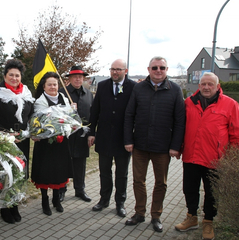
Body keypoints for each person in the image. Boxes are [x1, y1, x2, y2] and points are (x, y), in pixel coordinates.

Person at [124, 56, 185, 232]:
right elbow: (129, 115)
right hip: (140, 145)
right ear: (149, 69)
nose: (158, 70)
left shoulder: (175, 90)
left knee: (161, 183)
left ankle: (156, 216)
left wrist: (175, 146)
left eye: (162, 68)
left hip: (163, 147)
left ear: (167, 70)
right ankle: (139, 213)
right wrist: (128, 140)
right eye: (155, 67)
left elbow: (180, 121)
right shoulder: (139, 88)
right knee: (138, 181)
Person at [174, 72, 239, 240]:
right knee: (189, 189)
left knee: (212, 193)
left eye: (210, 84)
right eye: (203, 84)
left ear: (217, 86)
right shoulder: (189, 103)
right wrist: (179, 147)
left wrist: (232, 157)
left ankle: (208, 221)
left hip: (215, 159)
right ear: (199, 86)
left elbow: (235, 133)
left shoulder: (230, 105)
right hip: (191, 156)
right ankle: (191, 217)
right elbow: (181, 127)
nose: (206, 87)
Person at [0, 59, 35, 224]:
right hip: (5, 140)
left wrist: (26, 132)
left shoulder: (26, 94)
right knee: (6, 174)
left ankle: (15, 205)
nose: (14, 78)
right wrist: (7, 134)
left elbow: (30, 117)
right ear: (5, 76)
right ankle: (5, 208)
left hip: (22, 139)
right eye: (11, 75)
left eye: (17, 75)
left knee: (19, 173)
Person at [88, 59, 136, 217]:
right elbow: (95, 111)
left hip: (124, 139)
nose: (115, 72)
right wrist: (92, 132)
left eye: (118, 69)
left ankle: (120, 202)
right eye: (112, 69)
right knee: (104, 171)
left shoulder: (134, 87)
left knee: (121, 173)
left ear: (125, 71)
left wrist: (132, 137)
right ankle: (104, 199)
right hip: (104, 137)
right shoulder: (102, 86)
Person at [31, 72, 73, 216]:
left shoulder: (64, 99)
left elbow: (68, 117)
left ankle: (56, 200)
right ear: (44, 86)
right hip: (45, 143)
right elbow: (40, 120)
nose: (52, 87)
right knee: (45, 172)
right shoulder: (39, 102)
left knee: (58, 171)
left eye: (55, 84)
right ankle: (44, 201)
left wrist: (72, 113)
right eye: (49, 84)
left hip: (61, 143)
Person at [59, 65, 93, 203]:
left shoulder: (89, 94)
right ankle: (61, 191)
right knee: (64, 163)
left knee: (80, 164)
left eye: (80, 77)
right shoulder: (62, 93)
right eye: (75, 77)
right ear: (70, 78)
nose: (78, 79)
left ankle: (80, 190)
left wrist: (92, 133)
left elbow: (93, 115)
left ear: (83, 78)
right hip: (66, 135)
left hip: (82, 136)